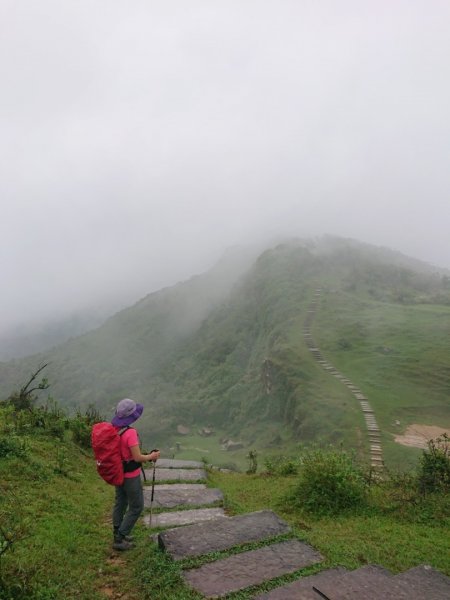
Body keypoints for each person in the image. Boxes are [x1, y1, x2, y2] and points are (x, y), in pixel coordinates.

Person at [111, 398, 160, 551]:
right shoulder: (130, 433)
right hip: (130, 475)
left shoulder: (115, 429)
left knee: (121, 503)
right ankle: (120, 538)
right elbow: (137, 458)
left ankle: (118, 533)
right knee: (137, 506)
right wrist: (151, 457)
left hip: (119, 473)